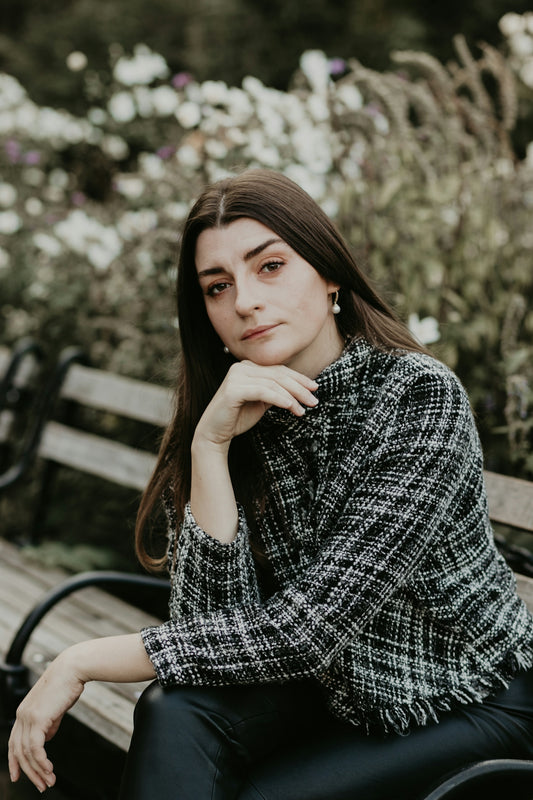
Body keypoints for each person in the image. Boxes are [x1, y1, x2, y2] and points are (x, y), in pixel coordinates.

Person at [8, 169, 533, 800]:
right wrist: (210, 448)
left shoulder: (417, 400)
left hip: (466, 695)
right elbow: (210, 635)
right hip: (337, 691)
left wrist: (81, 659)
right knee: (175, 708)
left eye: (271, 266)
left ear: (330, 273)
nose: (245, 302)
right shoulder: (233, 414)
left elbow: (304, 634)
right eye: (218, 286)